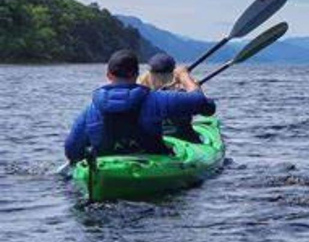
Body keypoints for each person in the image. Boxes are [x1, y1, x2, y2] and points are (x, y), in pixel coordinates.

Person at [64, 49, 216, 162]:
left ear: (109, 75)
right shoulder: (156, 100)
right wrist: (184, 77)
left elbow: (72, 151)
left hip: (107, 167)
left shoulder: (90, 110)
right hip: (150, 164)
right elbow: (202, 102)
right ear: (136, 75)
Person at [137, 52, 202, 143]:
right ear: (173, 72)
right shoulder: (181, 94)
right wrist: (192, 85)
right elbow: (204, 104)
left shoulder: (138, 92)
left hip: (151, 142)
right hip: (183, 139)